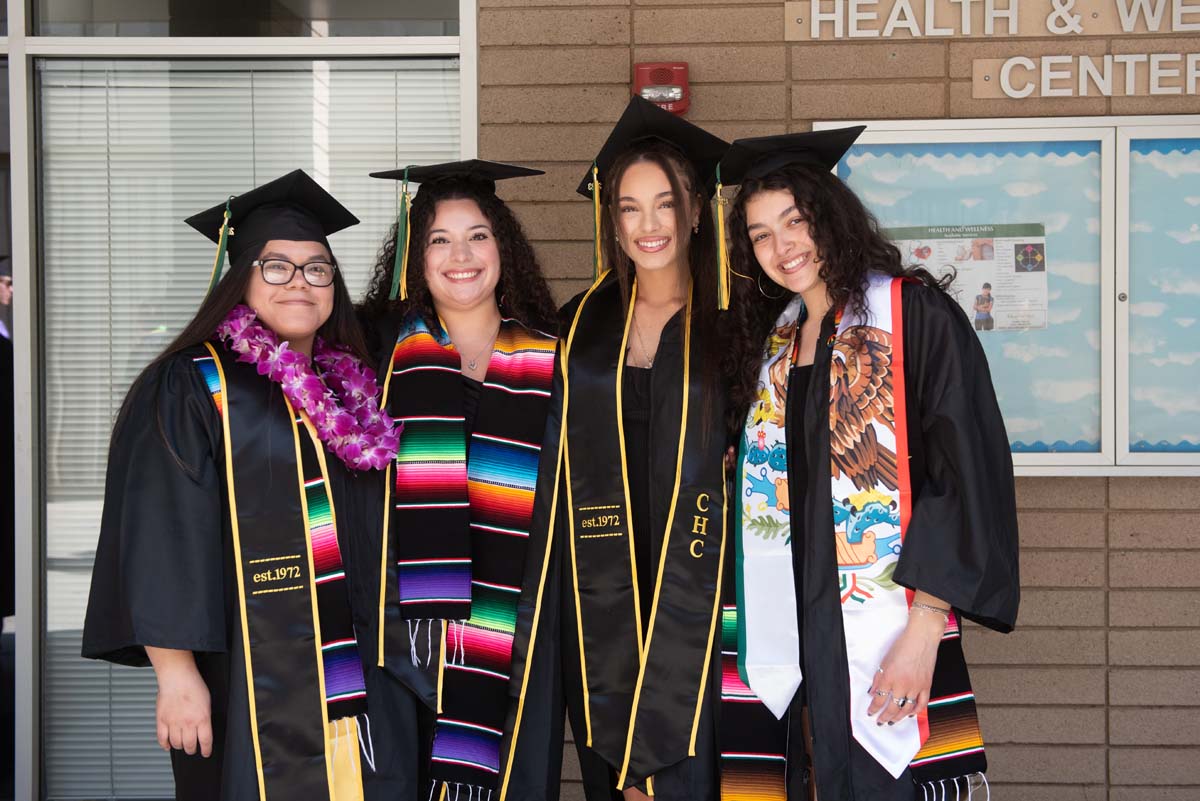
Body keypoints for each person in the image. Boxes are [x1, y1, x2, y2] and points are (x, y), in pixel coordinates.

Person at [719, 128, 1020, 800]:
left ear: (831, 217)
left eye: (795, 221)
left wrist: (926, 628)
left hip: (888, 626)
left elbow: (962, 472)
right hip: (791, 637)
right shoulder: (775, 345)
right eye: (762, 233)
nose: (782, 246)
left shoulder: (911, 315)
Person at [82, 170, 400, 801]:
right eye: (276, 266)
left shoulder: (351, 392)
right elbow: (160, 535)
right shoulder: (191, 384)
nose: (300, 283)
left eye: (317, 269)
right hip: (241, 672)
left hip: (353, 669)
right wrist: (176, 675)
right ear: (240, 279)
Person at [505, 96, 733, 801]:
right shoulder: (583, 322)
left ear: (697, 210)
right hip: (602, 584)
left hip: (709, 580)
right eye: (629, 208)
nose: (649, 225)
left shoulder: (739, 317)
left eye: (665, 204)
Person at [355, 160, 561, 801]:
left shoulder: (557, 358)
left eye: (477, 235)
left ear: (505, 248)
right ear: (416, 257)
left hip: (518, 631)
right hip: (399, 634)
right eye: (439, 240)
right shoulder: (374, 353)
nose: (460, 255)